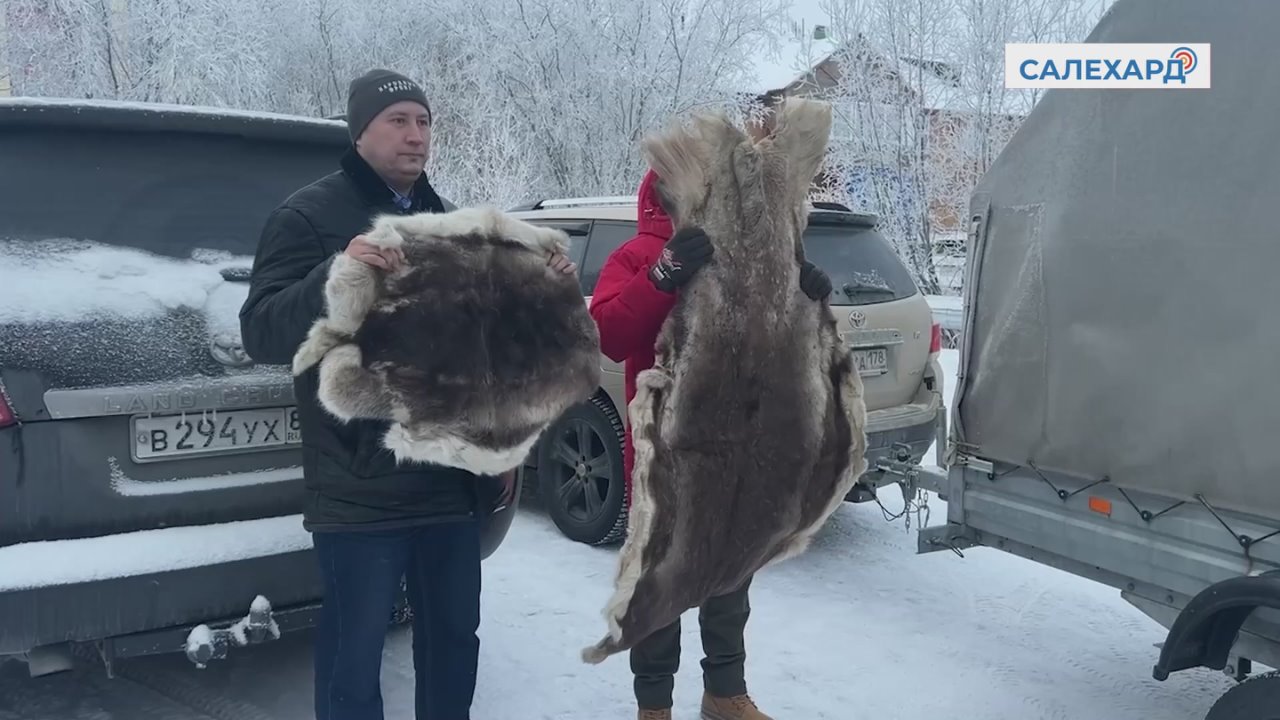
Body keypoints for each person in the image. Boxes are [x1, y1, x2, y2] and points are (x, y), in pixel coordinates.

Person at [239, 69, 576, 720]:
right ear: (359, 130)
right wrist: (341, 270)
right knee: (353, 656)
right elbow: (260, 331)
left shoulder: (445, 221)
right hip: (358, 486)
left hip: (448, 484)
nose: (416, 136)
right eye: (398, 120)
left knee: (453, 642)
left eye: (423, 122)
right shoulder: (308, 215)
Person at [587, 169, 831, 720]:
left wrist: (805, 299)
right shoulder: (633, 256)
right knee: (657, 584)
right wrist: (664, 273)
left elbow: (780, 346)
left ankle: (723, 692)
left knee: (729, 578)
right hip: (663, 455)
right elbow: (611, 334)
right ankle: (654, 704)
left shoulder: (745, 259)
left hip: (736, 450)